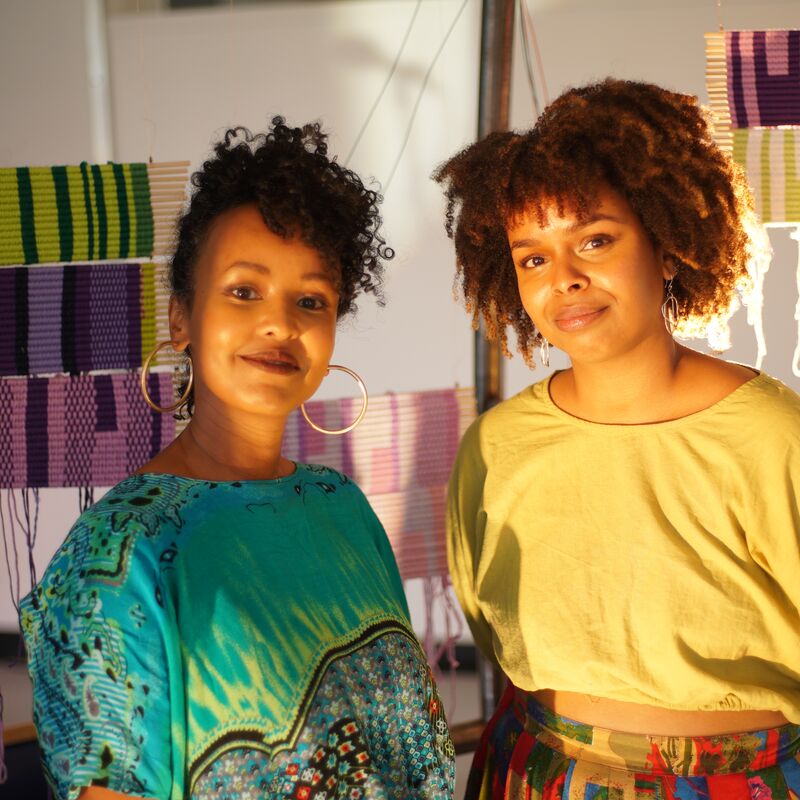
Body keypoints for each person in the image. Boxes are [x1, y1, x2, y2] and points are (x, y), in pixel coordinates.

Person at [20, 118, 455, 800]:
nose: (280, 323)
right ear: (181, 320)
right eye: (244, 291)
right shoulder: (119, 552)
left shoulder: (341, 506)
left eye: (310, 300)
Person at [435, 79, 800, 799]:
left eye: (595, 240)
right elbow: (488, 620)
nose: (564, 279)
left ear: (665, 246)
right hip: (540, 771)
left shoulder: (771, 434)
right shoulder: (497, 445)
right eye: (533, 257)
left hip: (738, 781)